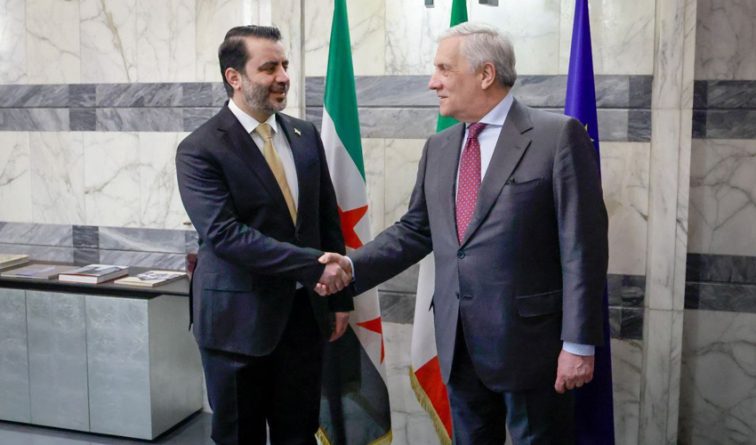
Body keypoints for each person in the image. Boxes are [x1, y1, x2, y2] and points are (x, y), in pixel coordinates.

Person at [319, 22, 608, 444]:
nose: (433, 82)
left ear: (486, 74)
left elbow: (583, 247)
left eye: (444, 69)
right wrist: (350, 265)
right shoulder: (439, 147)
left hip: (533, 348)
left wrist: (578, 344)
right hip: (458, 344)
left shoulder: (556, 137)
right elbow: (415, 230)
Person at [176, 25, 353, 445]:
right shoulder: (200, 148)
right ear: (234, 77)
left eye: (285, 65)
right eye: (269, 67)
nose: (284, 77)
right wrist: (314, 266)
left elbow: (326, 218)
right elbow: (225, 235)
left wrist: (340, 299)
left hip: (303, 319)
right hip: (236, 325)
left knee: (299, 433)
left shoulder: (305, 134)